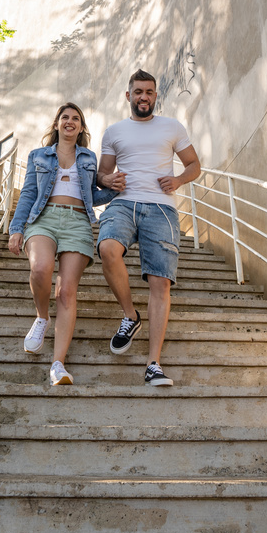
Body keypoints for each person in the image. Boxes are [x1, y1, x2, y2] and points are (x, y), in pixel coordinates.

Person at [96, 69, 201, 386]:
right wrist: (108, 180)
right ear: (128, 95)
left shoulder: (172, 127)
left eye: (149, 92)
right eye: (138, 91)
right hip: (124, 203)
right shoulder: (114, 132)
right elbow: (102, 174)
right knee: (107, 249)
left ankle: (153, 363)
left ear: (156, 96)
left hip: (162, 208)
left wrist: (179, 179)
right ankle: (130, 315)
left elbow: (194, 164)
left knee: (161, 282)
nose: (144, 97)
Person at [7, 103, 116, 385]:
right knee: (40, 268)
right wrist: (16, 229)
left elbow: (93, 196)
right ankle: (42, 318)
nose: (70, 121)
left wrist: (115, 189)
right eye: (65, 117)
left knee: (67, 291)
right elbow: (29, 193)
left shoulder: (89, 157)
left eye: (76, 118)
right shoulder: (38, 156)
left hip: (78, 222)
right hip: (43, 219)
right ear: (57, 124)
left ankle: (58, 364)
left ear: (81, 128)